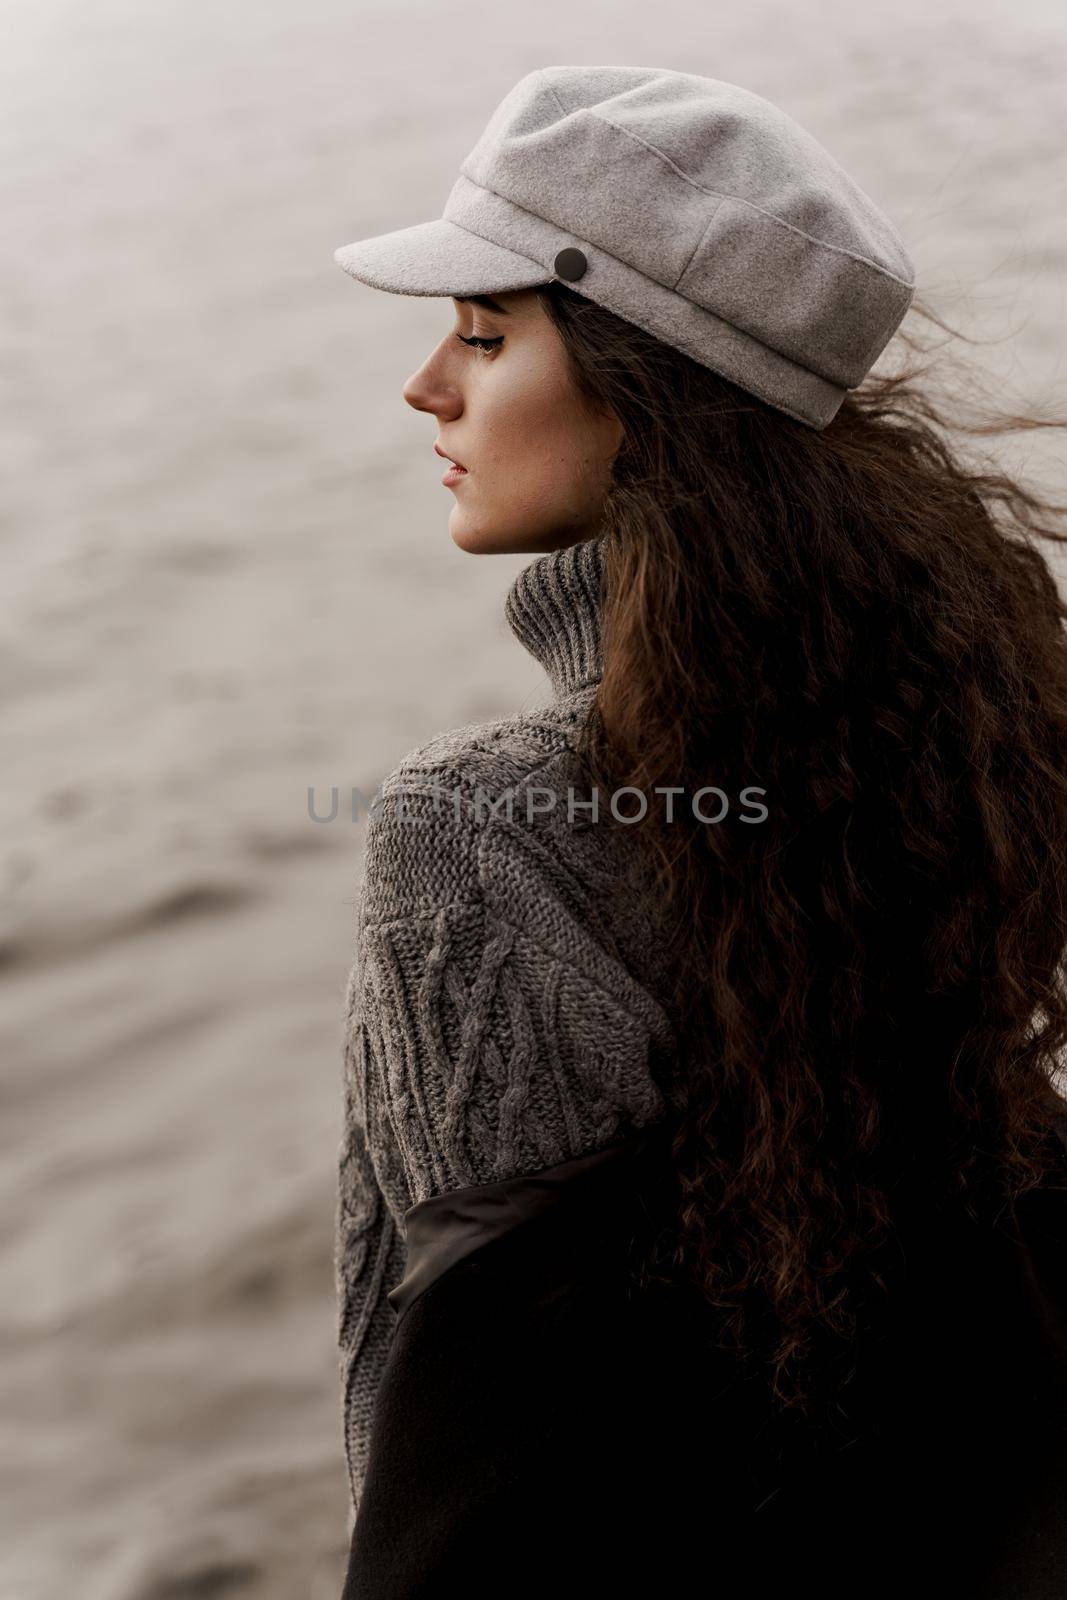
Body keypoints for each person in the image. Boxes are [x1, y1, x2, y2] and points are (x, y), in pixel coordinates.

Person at [330, 65, 1067, 1597]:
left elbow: (444, 1434)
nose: (428, 386)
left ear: (643, 382)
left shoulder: (481, 833)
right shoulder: (964, 743)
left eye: (484, 334)